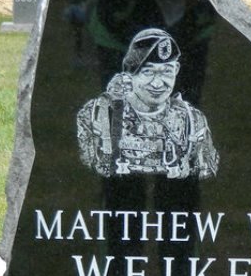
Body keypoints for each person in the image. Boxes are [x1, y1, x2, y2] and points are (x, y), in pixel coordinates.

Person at [77, 28, 219, 179]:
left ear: (176, 69)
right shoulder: (99, 115)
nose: (158, 84)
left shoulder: (192, 121)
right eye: (148, 72)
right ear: (130, 72)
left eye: (166, 72)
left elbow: (205, 171)